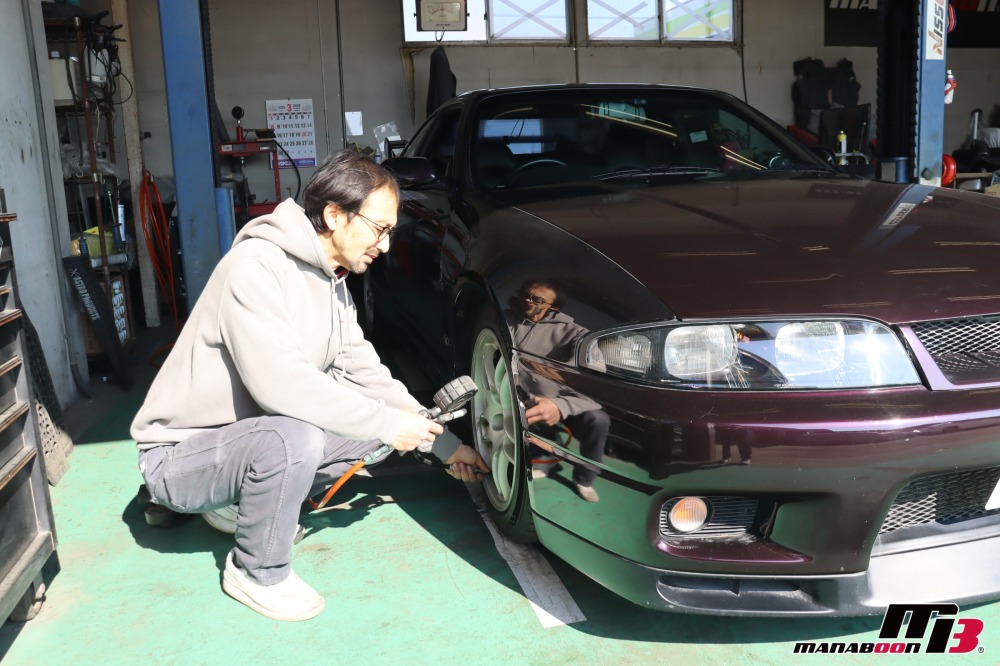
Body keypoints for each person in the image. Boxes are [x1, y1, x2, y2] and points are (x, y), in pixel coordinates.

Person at [130, 149, 488, 622]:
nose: (385, 246)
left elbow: (365, 372)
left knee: (371, 431)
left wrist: (442, 444)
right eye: (380, 229)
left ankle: (238, 502)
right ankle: (257, 570)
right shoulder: (255, 267)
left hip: (247, 440)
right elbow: (281, 386)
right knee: (296, 437)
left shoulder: (332, 282)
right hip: (182, 456)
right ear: (335, 215)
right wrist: (385, 423)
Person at [508, 280, 609, 502]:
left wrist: (559, 405)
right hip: (523, 395)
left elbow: (595, 378)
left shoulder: (575, 334)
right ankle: (544, 456)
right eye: (526, 294)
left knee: (598, 420)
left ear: (553, 307)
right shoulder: (506, 320)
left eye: (537, 299)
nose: (527, 300)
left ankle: (585, 478)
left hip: (561, 399)